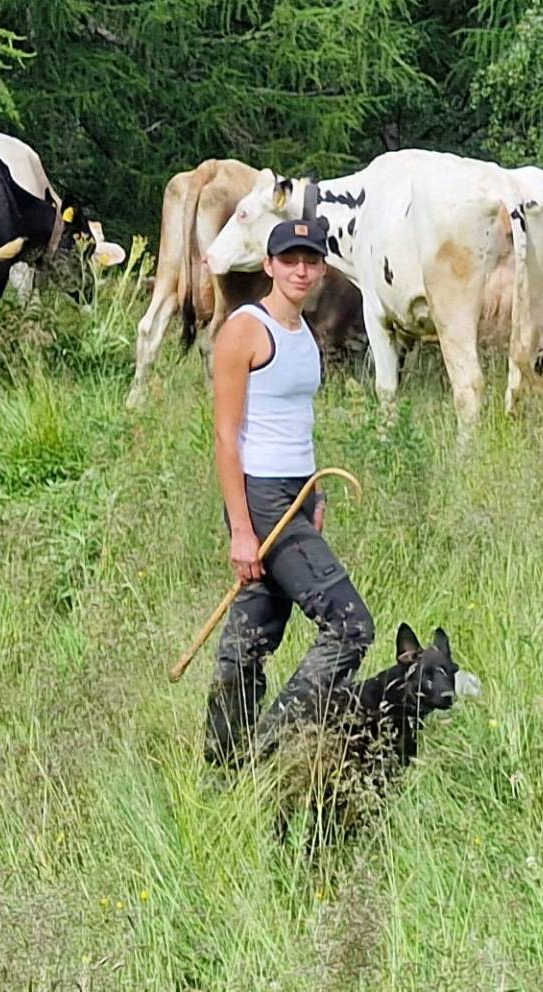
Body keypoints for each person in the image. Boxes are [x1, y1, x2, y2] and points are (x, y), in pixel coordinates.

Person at [204, 217, 374, 765]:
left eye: (311, 260)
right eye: (290, 260)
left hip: (298, 492)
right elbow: (225, 436)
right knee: (350, 626)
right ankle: (268, 747)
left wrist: (314, 494)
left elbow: (298, 420)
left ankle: (223, 768)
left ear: (322, 269)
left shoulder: (304, 334)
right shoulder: (246, 329)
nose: (301, 270)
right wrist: (241, 530)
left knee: (249, 640)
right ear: (269, 266)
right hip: (261, 497)